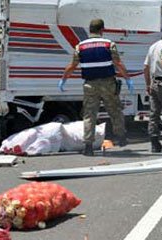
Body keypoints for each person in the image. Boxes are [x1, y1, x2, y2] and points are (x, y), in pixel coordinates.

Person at [59, 18, 132, 156]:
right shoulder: (109, 44)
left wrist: (63, 79)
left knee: (89, 115)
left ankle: (88, 146)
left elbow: (72, 65)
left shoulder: (80, 46)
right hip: (108, 83)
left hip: (90, 84)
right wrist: (128, 79)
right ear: (102, 30)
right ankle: (121, 137)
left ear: (90, 30)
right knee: (115, 110)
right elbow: (118, 63)